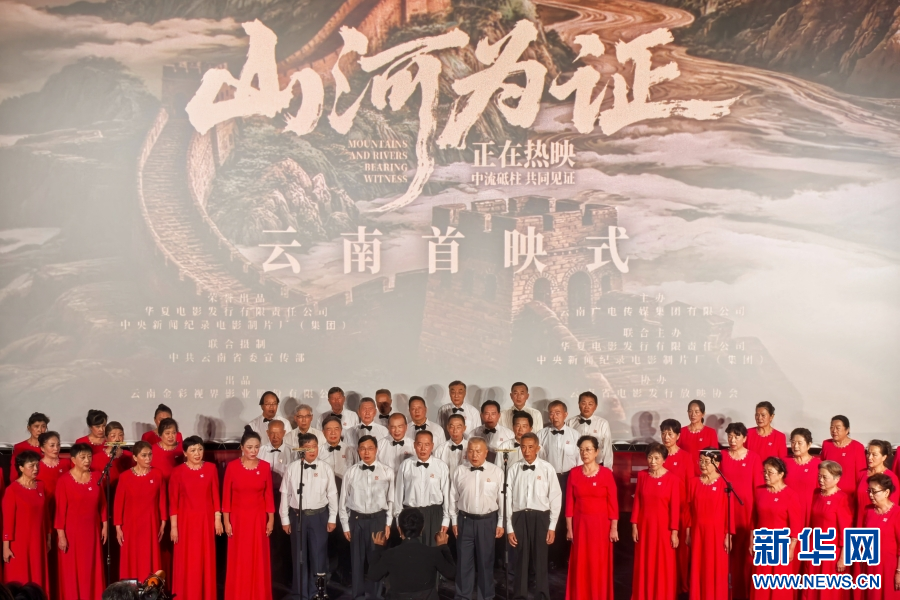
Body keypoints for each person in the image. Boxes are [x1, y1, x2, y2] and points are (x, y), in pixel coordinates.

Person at [280, 433, 338, 600]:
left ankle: (318, 591)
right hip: (298, 516)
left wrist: (332, 518)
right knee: (299, 555)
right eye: (308, 448)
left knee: (319, 555)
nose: (312, 450)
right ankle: (300, 592)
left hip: (319, 516)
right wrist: (285, 519)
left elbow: (332, 494)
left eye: (314, 447)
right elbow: (285, 494)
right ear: (301, 450)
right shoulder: (292, 468)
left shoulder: (325, 468)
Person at [339, 435, 395, 600]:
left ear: (376, 450)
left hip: (378, 519)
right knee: (356, 560)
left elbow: (391, 500)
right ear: (358, 451)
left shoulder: (387, 471)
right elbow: (343, 501)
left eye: (370, 448)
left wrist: (388, 523)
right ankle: (357, 595)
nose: (366, 452)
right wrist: (345, 525)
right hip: (356, 520)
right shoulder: (350, 472)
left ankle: (376, 595)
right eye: (363, 449)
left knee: (376, 559)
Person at [506, 433, 561, 600]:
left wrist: (552, 526)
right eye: (523, 447)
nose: (526, 451)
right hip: (519, 517)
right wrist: (509, 527)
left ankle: (542, 595)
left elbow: (555, 497)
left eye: (530, 447)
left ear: (537, 448)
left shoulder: (547, 468)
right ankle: (519, 596)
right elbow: (507, 498)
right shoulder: (514, 469)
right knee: (520, 560)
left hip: (541, 517)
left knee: (540, 560)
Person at [449, 437, 504, 600]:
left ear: (486, 453)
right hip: (464, 521)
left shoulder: (496, 472)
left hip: (488, 521)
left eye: (478, 451)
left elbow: (502, 500)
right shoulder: (459, 471)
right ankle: (462, 596)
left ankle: (486, 596)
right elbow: (453, 497)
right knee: (463, 562)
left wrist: (501, 522)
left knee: (486, 562)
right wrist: (454, 521)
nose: (474, 455)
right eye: (471, 451)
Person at [222, 430, 275, 600]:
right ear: (242, 447)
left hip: (258, 520)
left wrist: (271, 519)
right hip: (237, 520)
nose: (253, 451)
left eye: (257, 447)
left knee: (258, 558)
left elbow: (268, 496)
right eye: (250, 447)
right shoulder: (232, 467)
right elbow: (226, 496)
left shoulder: (265, 466)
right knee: (239, 558)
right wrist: (226, 521)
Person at [169, 435, 223, 600]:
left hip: (205, 522)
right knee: (187, 561)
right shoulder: (177, 472)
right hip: (185, 523)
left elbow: (215, 495)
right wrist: (174, 527)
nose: (197, 453)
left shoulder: (211, 469)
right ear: (185, 453)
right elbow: (173, 502)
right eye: (193, 450)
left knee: (204, 560)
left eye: (200, 449)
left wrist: (217, 519)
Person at [564, 435, 618, 600]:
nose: (584, 453)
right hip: (580, 525)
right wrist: (569, 528)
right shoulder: (574, 473)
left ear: (597, 452)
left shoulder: (606, 474)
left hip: (601, 526)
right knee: (581, 562)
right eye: (581, 450)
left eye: (588, 449)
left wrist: (614, 528)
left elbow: (613, 503)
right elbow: (569, 504)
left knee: (598, 563)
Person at [367, 507, 456, 600]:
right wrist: (443, 547)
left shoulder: (390, 554)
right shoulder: (433, 553)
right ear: (422, 529)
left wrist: (378, 548)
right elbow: (451, 573)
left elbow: (373, 576)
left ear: (400, 529)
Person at [55, 443, 107, 600]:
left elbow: (103, 504)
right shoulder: (64, 481)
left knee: (92, 567)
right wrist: (61, 535)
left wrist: (104, 525)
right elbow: (60, 511)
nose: (87, 460)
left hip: (92, 531)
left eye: (89, 456)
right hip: (72, 533)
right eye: (83, 457)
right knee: (73, 570)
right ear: (73, 460)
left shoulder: (97, 477)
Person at [630, 442, 680, 600]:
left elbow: (675, 508)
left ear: (664, 459)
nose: (652, 461)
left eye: (656, 458)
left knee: (663, 563)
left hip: (664, 529)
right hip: (645, 526)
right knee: (645, 562)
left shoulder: (673, 479)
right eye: (650, 457)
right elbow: (637, 501)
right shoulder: (642, 475)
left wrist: (674, 532)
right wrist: (634, 525)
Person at [720, 421, 763, 600]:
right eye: (729, 436)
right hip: (725, 512)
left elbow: (758, 489)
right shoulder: (721, 456)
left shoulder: (753, 458)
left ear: (744, 438)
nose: (732, 439)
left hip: (746, 513)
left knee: (745, 556)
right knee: (725, 556)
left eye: (736, 436)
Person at [751, 457, 803, 600]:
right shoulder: (759, 491)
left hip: (781, 545)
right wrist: (752, 541)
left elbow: (796, 525)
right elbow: (753, 519)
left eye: (770, 472)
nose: (766, 475)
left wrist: (791, 548)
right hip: (762, 542)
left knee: (779, 582)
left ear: (781, 474)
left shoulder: (791, 495)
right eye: (764, 472)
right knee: (761, 580)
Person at [114, 441, 166, 581]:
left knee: (150, 555)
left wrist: (163, 521)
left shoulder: (157, 474)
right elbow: (119, 503)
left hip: (151, 523)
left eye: (150, 455)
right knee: (131, 556)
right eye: (144, 455)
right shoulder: (125, 477)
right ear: (135, 457)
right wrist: (118, 526)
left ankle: (150, 588)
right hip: (130, 524)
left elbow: (162, 499)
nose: (148, 458)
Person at [536, 400, 579, 567]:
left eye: (558, 412)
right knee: (550, 516)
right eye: (551, 413)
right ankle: (551, 558)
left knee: (567, 516)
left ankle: (567, 557)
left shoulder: (575, 435)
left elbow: (579, 461)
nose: (554, 416)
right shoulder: (541, 434)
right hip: (549, 479)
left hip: (569, 478)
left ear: (566, 414)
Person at [686, 449, 733, 600]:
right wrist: (688, 532)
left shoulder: (725, 484)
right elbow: (688, 510)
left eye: (707, 461)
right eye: (700, 461)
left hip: (717, 532)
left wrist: (728, 535)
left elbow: (729, 511)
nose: (703, 464)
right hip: (698, 532)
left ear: (717, 464)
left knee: (716, 567)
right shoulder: (693, 482)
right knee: (698, 566)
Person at [803, 460, 852, 600]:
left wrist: (843, 557)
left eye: (825, 477)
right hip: (814, 548)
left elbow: (846, 531)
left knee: (828, 590)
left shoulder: (842, 499)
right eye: (819, 476)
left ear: (837, 479)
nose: (820, 480)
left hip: (831, 551)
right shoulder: (816, 494)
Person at [2, 451, 49, 593]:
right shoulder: (12, 490)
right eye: (31, 466)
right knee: (20, 577)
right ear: (21, 468)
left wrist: (48, 537)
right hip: (19, 543)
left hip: (38, 541)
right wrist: (6, 546)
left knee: (38, 576)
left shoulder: (40, 486)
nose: (36, 469)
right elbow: (8, 520)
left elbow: (45, 514)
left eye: (37, 465)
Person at [393, 430, 450, 548]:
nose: (423, 449)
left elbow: (446, 495)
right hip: (410, 514)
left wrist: (446, 519)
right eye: (419, 444)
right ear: (414, 445)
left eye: (427, 444)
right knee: (412, 551)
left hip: (434, 514)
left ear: (432, 446)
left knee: (433, 551)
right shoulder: (405, 465)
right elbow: (398, 495)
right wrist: (398, 519)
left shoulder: (441, 466)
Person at [34, 431, 68, 600]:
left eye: (58, 445)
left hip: (65, 515)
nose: (56, 448)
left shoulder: (67, 464)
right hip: (45, 516)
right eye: (52, 445)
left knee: (63, 556)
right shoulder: (36, 467)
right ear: (42, 448)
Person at [659, 418, 691, 596]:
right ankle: (665, 584)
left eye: (670, 433)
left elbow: (689, 485)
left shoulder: (686, 457)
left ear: (678, 436)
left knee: (681, 551)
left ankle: (681, 586)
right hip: (662, 511)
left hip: (681, 510)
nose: (666, 437)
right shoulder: (657, 456)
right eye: (663, 433)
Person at [858, 473, 900, 599]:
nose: (870, 495)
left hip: (889, 567)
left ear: (886, 492)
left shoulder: (897, 513)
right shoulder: (868, 510)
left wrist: (899, 572)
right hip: (870, 567)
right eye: (869, 491)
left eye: (874, 491)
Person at [820, 415, 867, 517]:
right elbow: (822, 469)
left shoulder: (857, 447)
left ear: (847, 430)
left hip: (849, 496)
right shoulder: (826, 444)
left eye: (838, 428)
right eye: (832, 427)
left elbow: (861, 474)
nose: (834, 431)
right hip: (829, 493)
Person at [857, 440, 900, 525]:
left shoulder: (891, 477)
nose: (869, 457)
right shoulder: (861, 474)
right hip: (861, 520)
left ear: (884, 457)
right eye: (868, 453)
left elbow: (892, 507)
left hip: (879, 523)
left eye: (874, 455)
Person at [785, 427, 822, 527]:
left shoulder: (818, 465)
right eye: (793, 442)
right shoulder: (784, 463)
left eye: (800, 443)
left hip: (809, 509)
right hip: (787, 509)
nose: (795, 446)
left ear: (809, 444)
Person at [565, 392, 613, 467]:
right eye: (583, 403)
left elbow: (607, 447)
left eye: (590, 404)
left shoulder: (603, 423)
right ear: (579, 404)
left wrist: (608, 468)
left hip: (597, 464)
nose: (586, 407)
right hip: (576, 465)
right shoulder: (570, 422)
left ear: (596, 406)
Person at [679, 400, 718, 476]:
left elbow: (714, 455)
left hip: (704, 472)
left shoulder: (710, 432)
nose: (693, 414)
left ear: (703, 414)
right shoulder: (681, 431)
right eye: (690, 411)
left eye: (697, 412)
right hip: (685, 472)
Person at [90, 421, 134, 486]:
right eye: (113, 436)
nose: (117, 439)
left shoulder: (130, 456)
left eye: (120, 435)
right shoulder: (96, 459)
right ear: (106, 438)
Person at [318, 416, 358, 482]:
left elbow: (356, 472)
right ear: (323, 432)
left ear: (341, 430)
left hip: (345, 485)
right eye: (329, 429)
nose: (333, 433)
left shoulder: (351, 450)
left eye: (336, 429)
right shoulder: (318, 452)